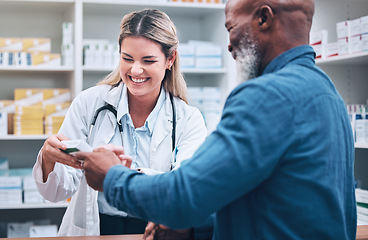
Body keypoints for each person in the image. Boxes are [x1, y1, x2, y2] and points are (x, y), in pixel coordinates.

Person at [78, 0, 357, 239]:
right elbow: (266, 201)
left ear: (263, 18)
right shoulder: (327, 93)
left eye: (231, 28)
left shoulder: (267, 95)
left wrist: (112, 177)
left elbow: (185, 197)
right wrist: (193, 231)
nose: (229, 45)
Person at [32, 9, 207, 236]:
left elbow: (185, 194)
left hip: (151, 230)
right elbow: (55, 192)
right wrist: (48, 159)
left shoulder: (188, 120)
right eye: (127, 58)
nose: (135, 70)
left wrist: (120, 176)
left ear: (170, 59)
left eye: (148, 60)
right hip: (94, 230)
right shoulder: (89, 104)